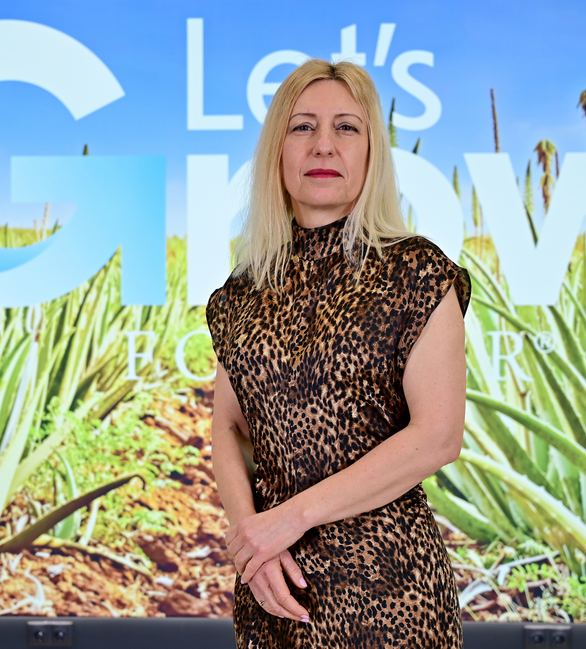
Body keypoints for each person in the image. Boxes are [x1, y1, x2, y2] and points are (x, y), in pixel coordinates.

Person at [206, 58, 470, 648]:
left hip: (392, 599)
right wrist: (252, 543)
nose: (323, 144)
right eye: (302, 126)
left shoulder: (417, 272)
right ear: (277, 151)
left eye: (346, 127)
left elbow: (438, 435)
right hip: (275, 594)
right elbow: (228, 427)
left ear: (372, 151)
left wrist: (287, 520)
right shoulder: (240, 294)